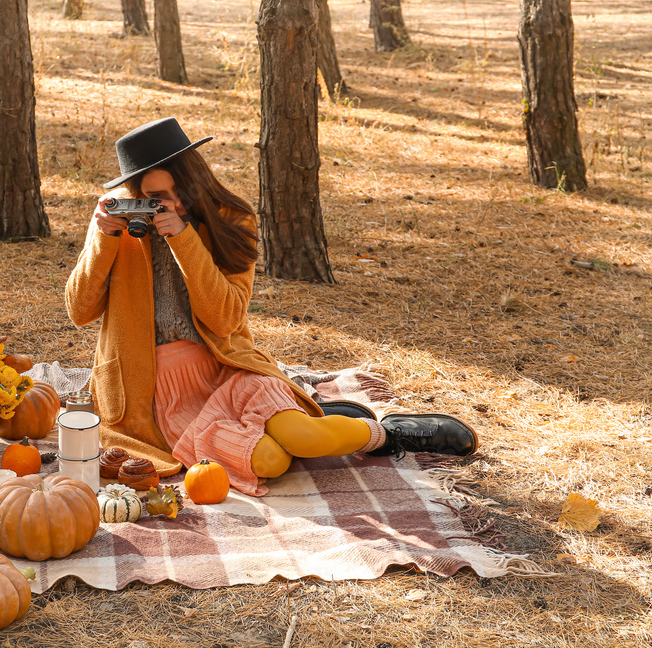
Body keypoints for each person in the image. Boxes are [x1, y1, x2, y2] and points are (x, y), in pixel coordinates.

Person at [65, 117, 477, 496]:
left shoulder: (230, 219)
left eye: (180, 192)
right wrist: (103, 242)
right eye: (156, 198)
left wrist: (184, 238)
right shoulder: (112, 221)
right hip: (153, 392)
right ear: (134, 196)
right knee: (271, 462)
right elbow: (80, 311)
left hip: (225, 366)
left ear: (196, 179)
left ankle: (389, 434)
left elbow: (225, 318)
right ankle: (308, 409)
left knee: (306, 440)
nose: (173, 205)